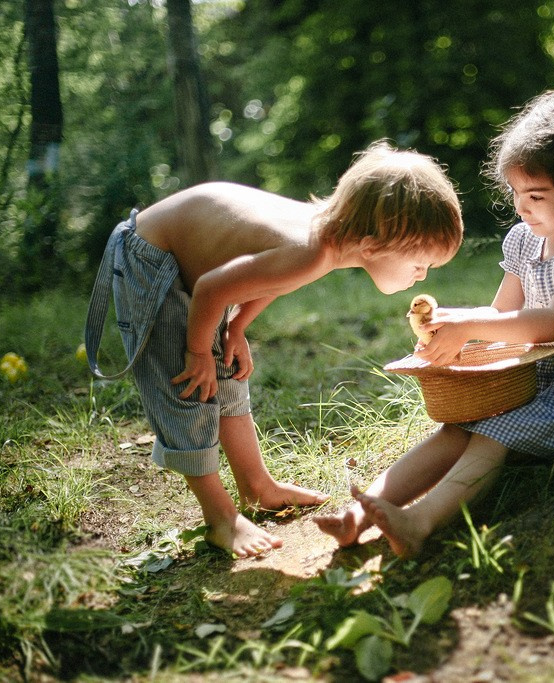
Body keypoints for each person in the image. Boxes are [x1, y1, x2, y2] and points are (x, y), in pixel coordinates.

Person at [315, 91, 554, 557]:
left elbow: (553, 323)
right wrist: (454, 321)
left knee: (492, 433)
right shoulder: (525, 241)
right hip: (544, 374)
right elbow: (501, 313)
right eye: (515, 193)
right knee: (456, 427)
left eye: (536, 195)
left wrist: (469, 328)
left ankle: (422, 522)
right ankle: (357, 517)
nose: (521, 207)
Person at [84, 142, 464, 558]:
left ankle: (257, 486)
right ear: (372, 247)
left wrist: (236, 326)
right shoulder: (309, 251)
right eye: (420, 264)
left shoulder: (326, 241)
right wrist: (197, 353)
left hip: (199, 267)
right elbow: (213, 287)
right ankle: (220, 519)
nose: (422, 275)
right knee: (189, 385)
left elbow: (269, 277)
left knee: (226, 371)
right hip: (154, 261)